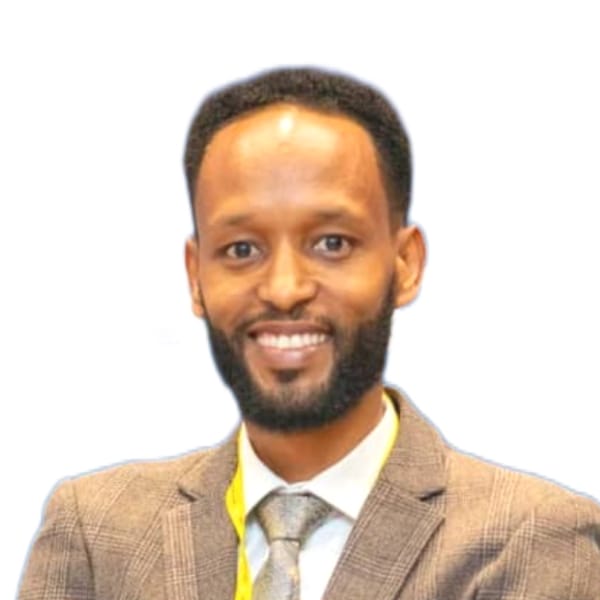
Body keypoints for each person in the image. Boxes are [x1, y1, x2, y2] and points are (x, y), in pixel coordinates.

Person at [18, 67, 600, 600]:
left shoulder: (533, 540)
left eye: (332, 243)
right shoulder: (97, 532)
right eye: (241, 249)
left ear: (405, 264)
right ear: (196, 277)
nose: (284, 288)